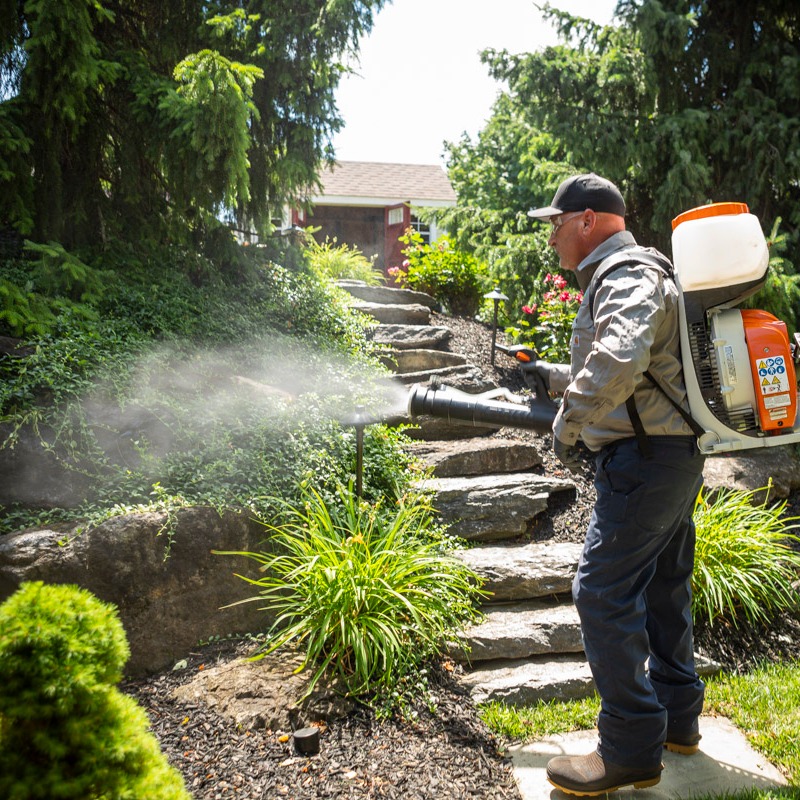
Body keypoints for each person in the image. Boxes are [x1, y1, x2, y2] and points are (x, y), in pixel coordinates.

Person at [527, 173, 706, 796]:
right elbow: (637, 365)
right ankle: (678, 722)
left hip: (643, 463)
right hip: (668, 458)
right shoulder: (638, 272)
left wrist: (566, 425)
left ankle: (630, 750)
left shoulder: (625, 272)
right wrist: (553, 376)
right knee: (662, 588)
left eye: (555, 223)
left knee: (601, 592)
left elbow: (623, 358)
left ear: (586, 220)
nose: (552, 237)